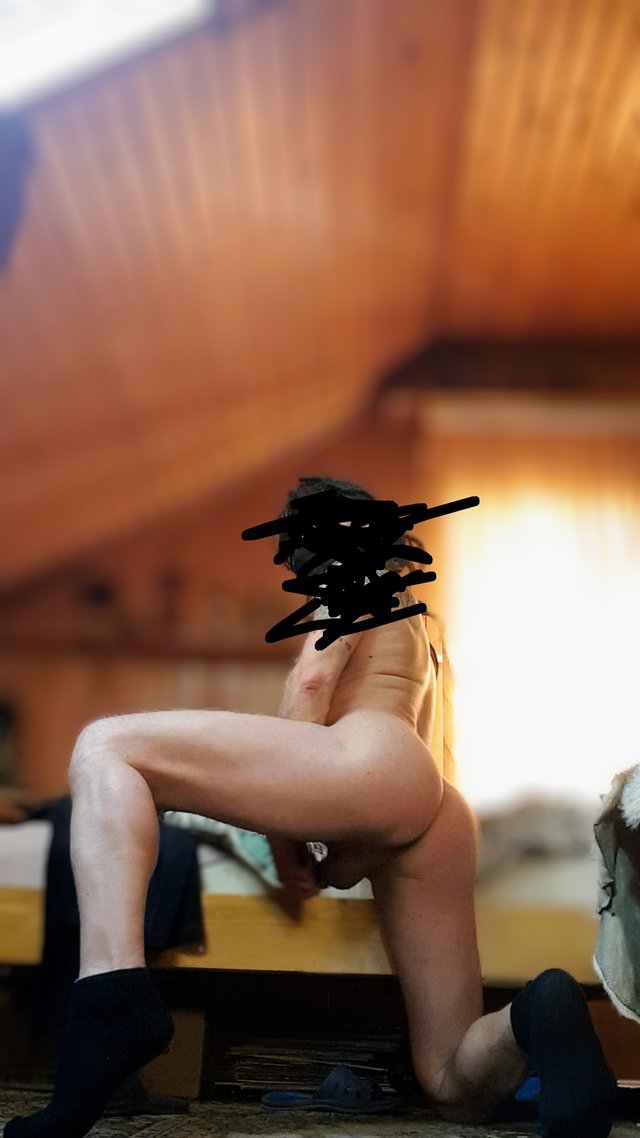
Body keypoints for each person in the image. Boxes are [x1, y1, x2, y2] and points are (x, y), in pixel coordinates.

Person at [5, 477, 616, 1138]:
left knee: (105, 745)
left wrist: (284, 829)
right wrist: (339, 842)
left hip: (371, 763)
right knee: (448, 1080)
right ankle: (535, 1012)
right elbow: (416, 771)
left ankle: (109, 993)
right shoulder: (423, 625)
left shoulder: (353, 581)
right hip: (436, 807)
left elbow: (314, 681)